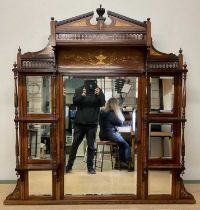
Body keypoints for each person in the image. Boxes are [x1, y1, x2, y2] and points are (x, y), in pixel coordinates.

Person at [65, 80, 105, 174]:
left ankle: (90, 167)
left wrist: (99, 95)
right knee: (75, 144)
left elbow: (102, 103)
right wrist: (81, 95)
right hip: (80, 123)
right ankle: (69, 166)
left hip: (92, 123)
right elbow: (74, 102)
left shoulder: (98, 90)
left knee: (91, 146)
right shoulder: (79, 89)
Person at [99, 97, 133, 171]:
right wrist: (119, 115)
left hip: (102, 135)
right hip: (110, 134)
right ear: (115, 105)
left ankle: (119, 164)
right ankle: (129, 163)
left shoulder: (102, 112)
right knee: (127, 145)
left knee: (121, 144)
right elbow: (120, 123)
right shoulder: (111, 113)